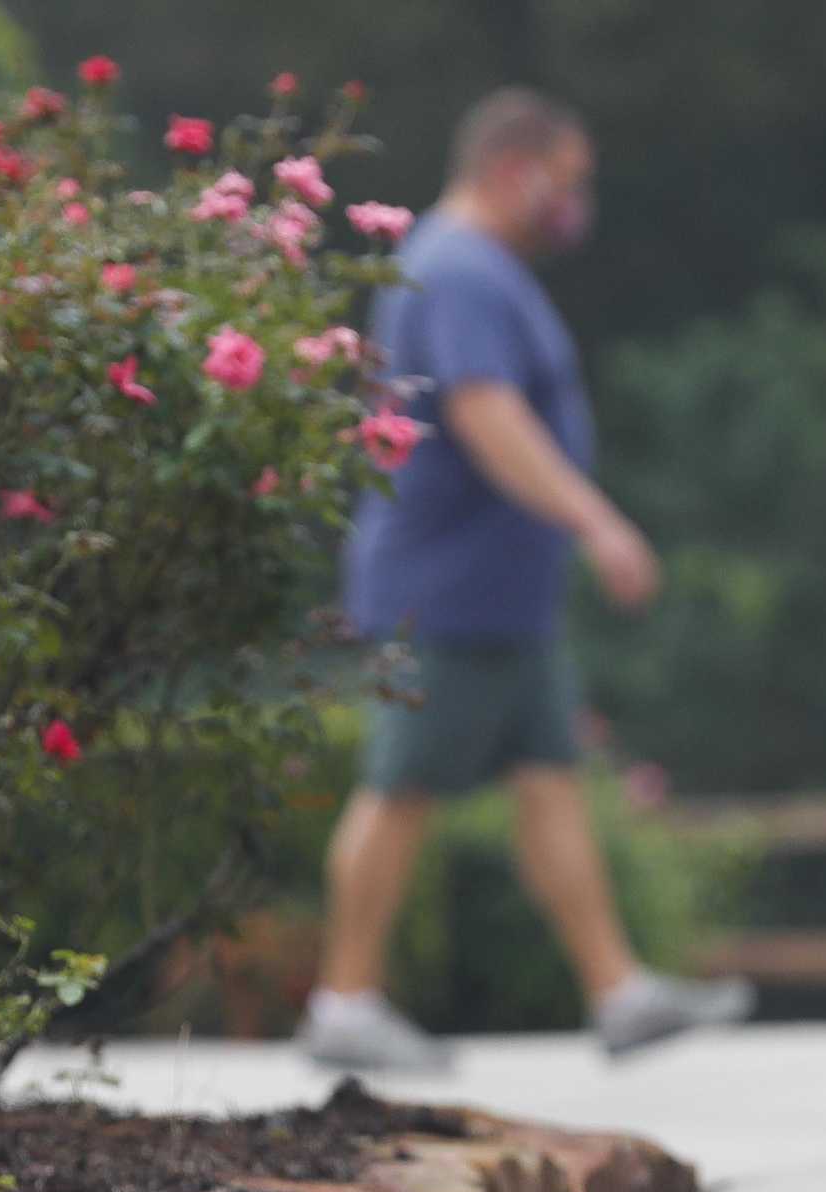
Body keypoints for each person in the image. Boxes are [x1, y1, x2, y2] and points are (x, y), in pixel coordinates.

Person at [301, 88, 752, 1071]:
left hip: (500, 595)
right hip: (448, 589)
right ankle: (342, 999)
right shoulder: (458, 269)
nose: (573, 201)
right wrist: (594, 520)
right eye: (568, 179)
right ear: (515, 168)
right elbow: (485, 417)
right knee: (400, 785)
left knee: (549, 780)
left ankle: (616, 989)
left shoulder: (474, 265)